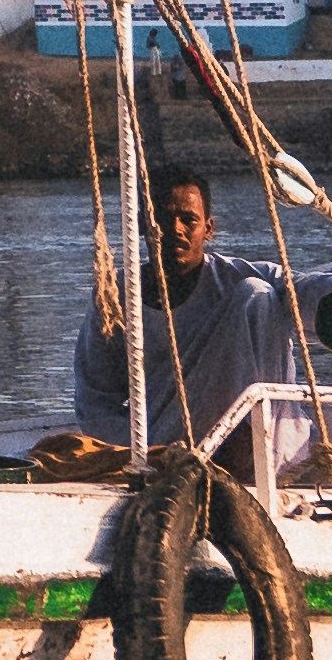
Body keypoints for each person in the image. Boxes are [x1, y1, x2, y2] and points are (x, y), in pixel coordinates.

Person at [58, 158, 225, 469]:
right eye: (162, 217)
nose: (175, 229)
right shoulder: (115, 296)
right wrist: (140, 452)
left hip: (228, 441)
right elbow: (95, 400)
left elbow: (302, 288)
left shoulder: (235, 282)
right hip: (156, 448)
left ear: (208, 229)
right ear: (141, 224)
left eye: (188, 219)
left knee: (258, 298)